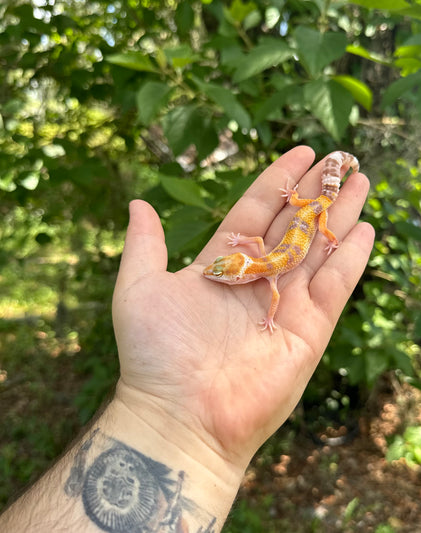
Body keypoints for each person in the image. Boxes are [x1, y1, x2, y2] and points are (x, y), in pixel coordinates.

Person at [0, 146, 374, 532]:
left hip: (310, 215)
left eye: (223, 275)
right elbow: (259, 248)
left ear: (244, 277)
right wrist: (245, 243)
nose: (216, 276)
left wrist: (318, 244)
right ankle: (342, 163)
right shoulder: (262, 263)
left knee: (320, 206)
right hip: (303, 215)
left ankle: (344, 164)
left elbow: (274, 292)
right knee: (314, 203)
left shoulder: (271, 275)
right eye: (221, 273)